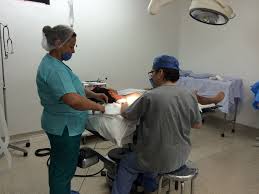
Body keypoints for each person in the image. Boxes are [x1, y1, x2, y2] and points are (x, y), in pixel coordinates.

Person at [111, 55, 203, 194]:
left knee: (127, 164)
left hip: (155, 158)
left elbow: (128, 115)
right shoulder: (189, 94)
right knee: (154, 152)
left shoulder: (150, 96)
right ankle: (150, 187)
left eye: (152, 72)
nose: (152, 76)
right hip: (181, 157)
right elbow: (197, 124)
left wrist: (123, 104)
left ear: (160, 73)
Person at [36, 25, 108, 194]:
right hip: (64, 128)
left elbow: (74, 88)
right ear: (59, 44)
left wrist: (95, 95)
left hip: (60, 125)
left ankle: (63, 191)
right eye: (71, 46)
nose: (73, 51)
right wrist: (99, 107)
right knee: (64, 168)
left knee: (60, 163)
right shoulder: (55, 70)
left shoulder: (54, 63)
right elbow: (74, 100)